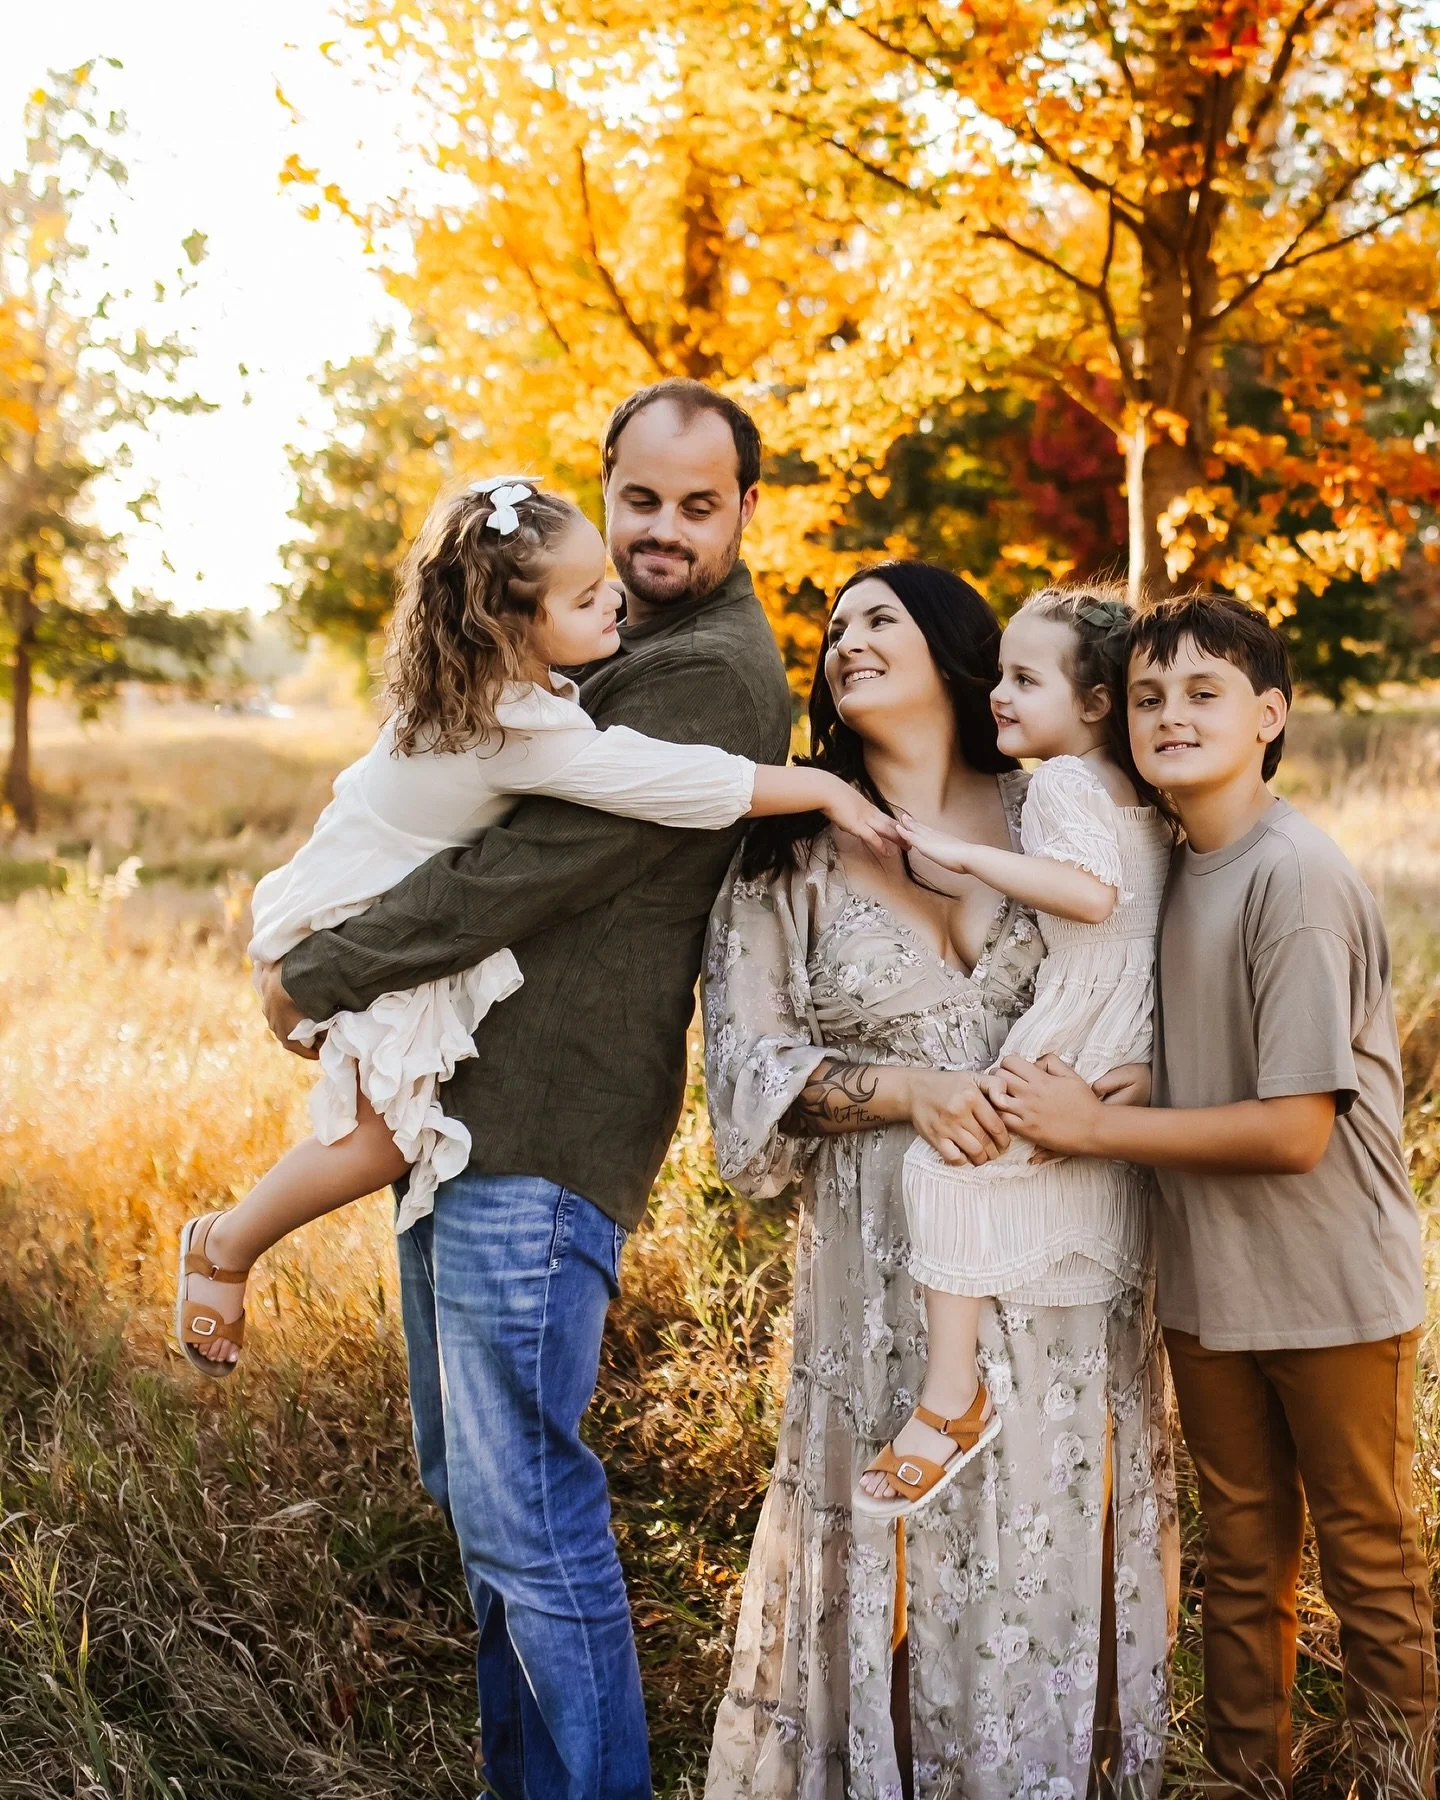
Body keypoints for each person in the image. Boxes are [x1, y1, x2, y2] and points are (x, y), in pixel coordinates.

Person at [253, 380, 794, 1800]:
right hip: (467, 1123)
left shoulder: (702, 671)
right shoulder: (598, 627)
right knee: (483, 1510)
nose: (663, 532)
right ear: (605, 488)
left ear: (748, 507)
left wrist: (320, 971)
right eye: (641, 500)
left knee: (531, 1519)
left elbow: (521, 869)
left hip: (542, 1130)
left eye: (699, 504)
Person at [175, 478, 893, 1376]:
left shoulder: (478, 680)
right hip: (357, 909)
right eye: (587, 597)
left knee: (393, 1128)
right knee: (383, 1137)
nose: (616, 601)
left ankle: (226, 1240)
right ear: (512, 627)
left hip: (348, 875)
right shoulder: (518, 724)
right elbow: (681, 781)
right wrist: (823, 785)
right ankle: (225, 1245)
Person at [702, 563, 1174, 1800]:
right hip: (883, 1253)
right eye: (834, 628)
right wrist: (910, 1092)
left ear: (959, 651)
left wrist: (1134, 1084)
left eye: (880, 619)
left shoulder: (1060, 806)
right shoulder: (784, 859)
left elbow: (1159, 962)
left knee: (1051, 1519)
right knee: (900, 1540)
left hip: (1068, 1222)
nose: (847, 640)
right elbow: (749, 1072)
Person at [991, 595, 1434, 1799]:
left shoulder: (1291, 876)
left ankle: (1397, 1773)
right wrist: (1148, 1078)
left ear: (1270, 716)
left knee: (1369, 1559)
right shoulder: (1174, 863)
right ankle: (1251, 1777)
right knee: (1241, 1562)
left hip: (1331, 1284)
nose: (1170, 715)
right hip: (1209, 1284)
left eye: (1204, 692)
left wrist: (1103, 1126)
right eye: (1146, 697)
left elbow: (1297, 1129)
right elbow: (1203, 1042)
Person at [855, 586, 1174, 1518]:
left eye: (1025, 680)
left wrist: (970, 856)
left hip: (1079, 1022)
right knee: (1043, 1178)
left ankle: (954, 1397)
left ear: (1094, 704)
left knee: (944, 1171)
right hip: (1131, 1027)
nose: (999, 694)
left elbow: (1091, 897)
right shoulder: (1142, 788)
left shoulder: (1066, 783)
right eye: (1000, 674)